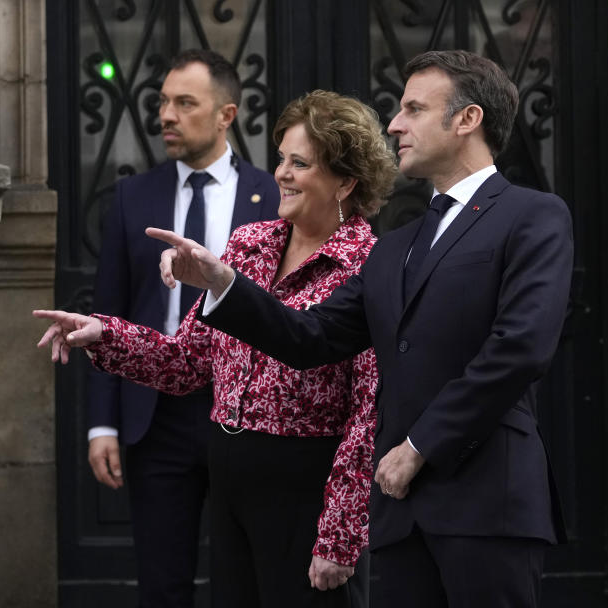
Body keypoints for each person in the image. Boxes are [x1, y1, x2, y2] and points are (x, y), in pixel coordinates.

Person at [146, 49, 573, 607]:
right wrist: (223, 281)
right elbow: (308, 338)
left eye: (415, 109)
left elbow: (519, 349)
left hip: (487, 506)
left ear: (468, 120)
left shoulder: (533, 215)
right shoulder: (397, 246)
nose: (395, 123)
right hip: (401, 517)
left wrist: (419, 445)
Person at [36, 89, 396, 607]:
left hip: (306, 486)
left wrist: (339, 535)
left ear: (345, 181)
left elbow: (368, 415)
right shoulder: (250, 245)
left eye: (300, 163)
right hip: (228, 472)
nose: (282, 173)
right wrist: (105, 334)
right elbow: (186, 363)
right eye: (281, 159)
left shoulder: (368, 266)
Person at [84, 48, 279, 607]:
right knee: (162, 581)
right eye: (163, 101)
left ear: (226, 115)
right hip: (154, 415)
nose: (166, 114)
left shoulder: (271, 197)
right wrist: (102, 424)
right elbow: (108, 313)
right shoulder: (132, 196)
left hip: (241, 410)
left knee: (240, 581)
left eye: (184, 103)